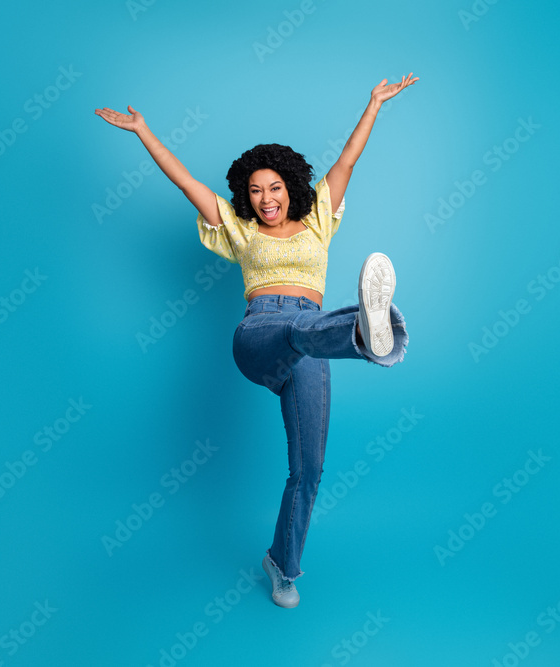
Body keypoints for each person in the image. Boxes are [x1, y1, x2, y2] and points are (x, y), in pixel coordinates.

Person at [94, 73, 418, 608]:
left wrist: (375, 104)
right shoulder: (240, 230)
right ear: (246, 197)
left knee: (309, 469)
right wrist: (143, 131)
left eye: (274, 187)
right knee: (296, 328)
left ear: (291, 186)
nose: (265, 198)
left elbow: (347, 161)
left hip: (315, 341)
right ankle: (366, 332)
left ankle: (282, 566)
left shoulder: (318, 220)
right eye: (254, 190)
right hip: (261, 333)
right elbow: (186, 182)